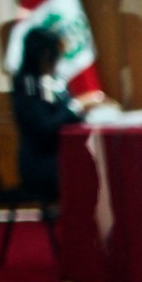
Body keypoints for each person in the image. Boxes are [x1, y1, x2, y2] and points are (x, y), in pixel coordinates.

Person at [10, 27, 96, 199]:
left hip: (61, 156)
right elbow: (44, 129)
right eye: (55, 55)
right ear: (43, 56)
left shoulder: (54, 81)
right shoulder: (27, 87)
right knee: (92, 175)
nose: (58, 60)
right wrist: (76, 106)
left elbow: (67, 115)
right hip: (42, 163)